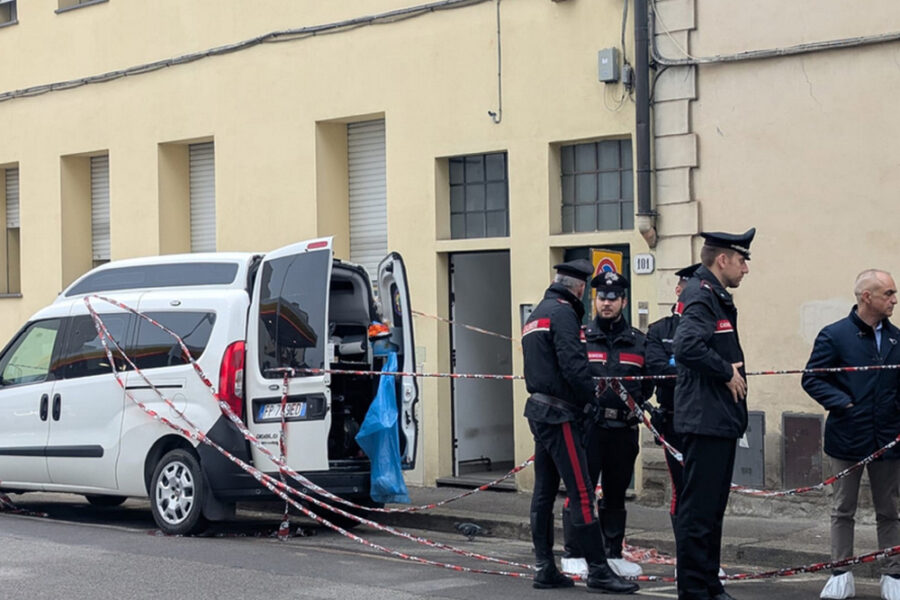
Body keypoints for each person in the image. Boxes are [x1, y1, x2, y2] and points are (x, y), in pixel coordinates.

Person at [522, 259, 638, 593]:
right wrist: (592, 402)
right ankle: (599, 571)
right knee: (583, 492)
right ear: (581, 288)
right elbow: (574, 365)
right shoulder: (563, 314)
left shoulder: (536, 313)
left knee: (543, 493)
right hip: (560, 414)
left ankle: (544, 567)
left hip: (539, 410)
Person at [801, 269, 900, 600]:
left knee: (889, 509)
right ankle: (841, 571)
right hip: (847, 437)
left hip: (888, 438)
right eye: (888, 293)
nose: (894, 299)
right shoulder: (835, 335)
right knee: (843, 508)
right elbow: (812, 378)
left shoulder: (896, 339)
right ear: (866, 297)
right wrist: (843, 403)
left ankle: (893, 573)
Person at [673, 228, 755, 600]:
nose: (745, 269)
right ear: (722, 260)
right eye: (742, 261)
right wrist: (725, 372)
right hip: (705, 419)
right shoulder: (700, 294)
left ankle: (708, 582)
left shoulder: (715, 296)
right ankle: (694, 589)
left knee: (712, 511)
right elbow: (687, 346)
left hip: (719, 419)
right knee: (698, 513)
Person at [559, 271, 654, 579]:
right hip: (591, 429)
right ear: (593, 299)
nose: (607, 304)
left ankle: (612, 552)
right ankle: (574, 552)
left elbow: (648, 385)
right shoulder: (582, 337)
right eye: (601, 298)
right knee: (580, 490)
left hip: (624, 431)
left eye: (613, 299)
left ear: (623, 301)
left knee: (615, 495)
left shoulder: (640, 343)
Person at [646, 263, 700, 531]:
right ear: (678, 289)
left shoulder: (711, 326)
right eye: (689, 287)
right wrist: (697, 370)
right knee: (681, 488)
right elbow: (657, 370)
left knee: (705, 493)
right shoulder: (660, 330)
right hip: (674, 420)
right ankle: (685, 556)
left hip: (705, 419)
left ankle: (704, 558)